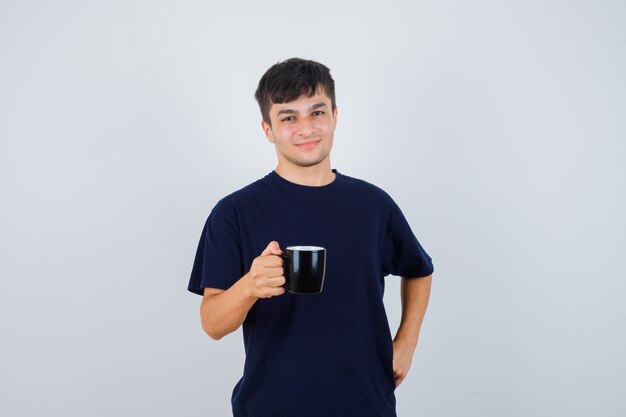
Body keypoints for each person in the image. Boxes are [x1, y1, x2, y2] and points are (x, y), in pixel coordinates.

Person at [188, 57, 434, 417]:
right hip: (271, 407)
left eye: (317, 112)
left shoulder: (373, 205)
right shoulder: (234, 213)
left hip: (366, 405)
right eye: (288, 117)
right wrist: (250, 287)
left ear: (335, 116)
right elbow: (212, 324)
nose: (306, 128)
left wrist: (406, 343)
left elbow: (419, 269)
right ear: (268, 129)